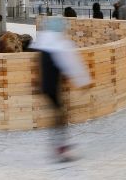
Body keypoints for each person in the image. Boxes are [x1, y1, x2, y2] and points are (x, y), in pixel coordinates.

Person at [33, 17, 91, 161]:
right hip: (52, 86)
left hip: (46, 85)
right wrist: (84, 81)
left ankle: (58, 146)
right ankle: (60, 149)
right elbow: (71, 64)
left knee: (58, 115)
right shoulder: (60, 44)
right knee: (60, 116)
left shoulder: (44, 41)